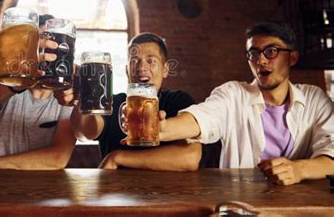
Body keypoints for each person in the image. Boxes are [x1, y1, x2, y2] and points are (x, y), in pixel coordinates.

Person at [157, 22, 334, 185]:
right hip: (243, 204)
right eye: (254, 53)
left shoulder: (314, 99)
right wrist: (162, 129)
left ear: (292, 58)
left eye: (271, 51)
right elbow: (202, 118)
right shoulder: (233, 95)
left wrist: (298, 170)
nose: (261, 60)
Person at [57, 32, 220, 171]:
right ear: (127, 70)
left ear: (165, 70)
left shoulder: (178, 100)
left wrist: (118, 158)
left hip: (169, 196)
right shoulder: (112, 102)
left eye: (151, 61)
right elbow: (85, 132)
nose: (141, 67)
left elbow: (190, 158)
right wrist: (83, 101)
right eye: (134, 61)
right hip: (116, 197)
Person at [0, 14, 76, 170]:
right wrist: (27, 70)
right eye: (40, 44)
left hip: (40, 189)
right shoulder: (13, 76)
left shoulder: (66, 94)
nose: (46, 51)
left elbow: (57, 158)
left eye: (52, 45)